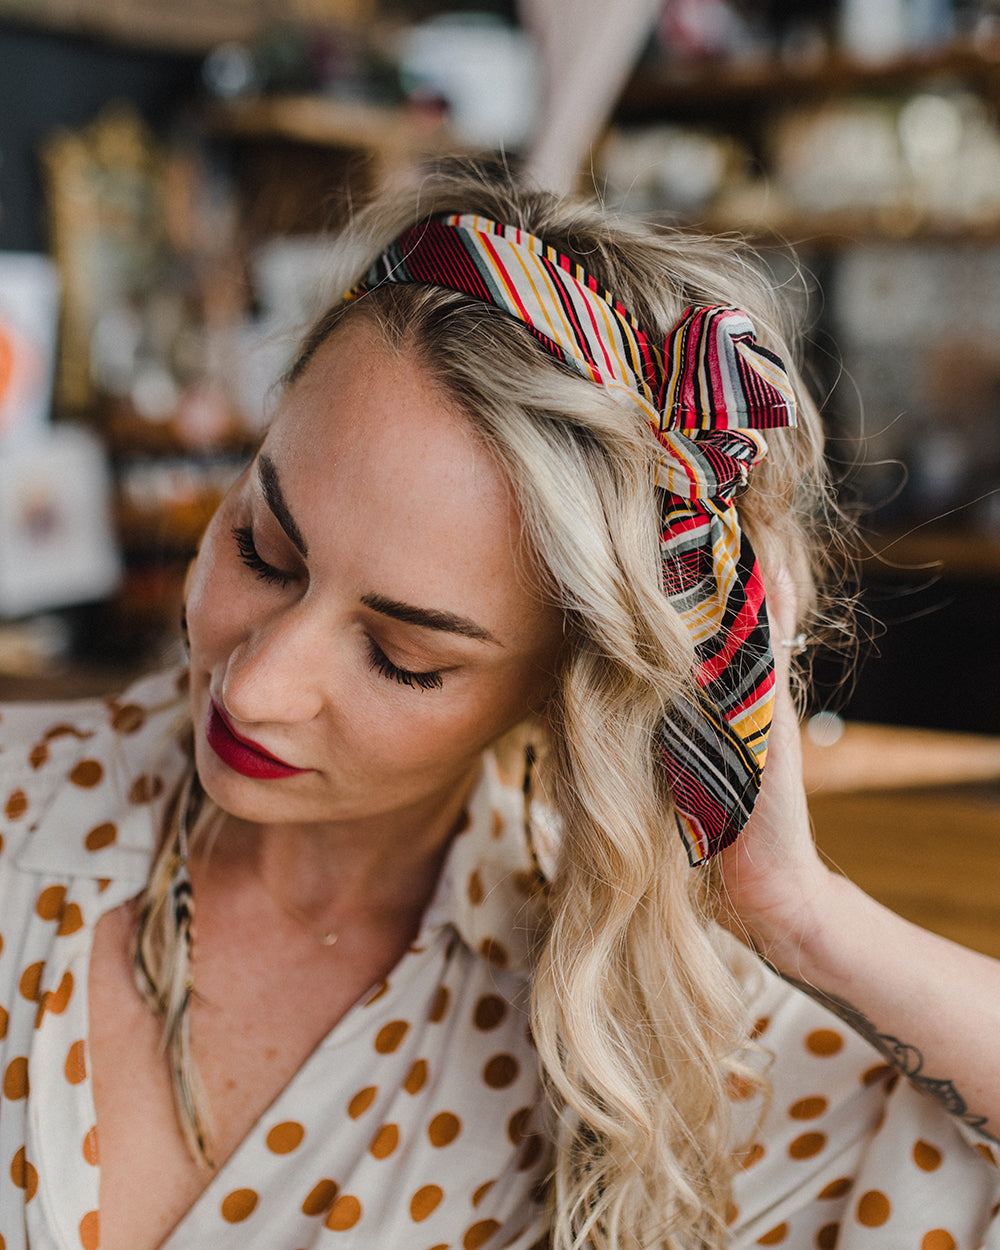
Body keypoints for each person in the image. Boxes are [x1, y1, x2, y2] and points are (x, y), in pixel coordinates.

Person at [1, 163, 998, 1250]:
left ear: (559, 687)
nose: (254, 683)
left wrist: (797, 906)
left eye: (401, 655)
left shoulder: (635, 1053)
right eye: (264, 548)